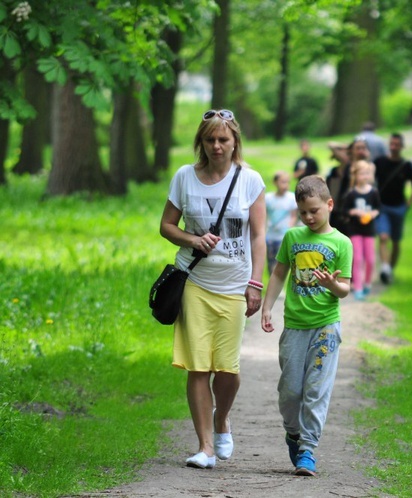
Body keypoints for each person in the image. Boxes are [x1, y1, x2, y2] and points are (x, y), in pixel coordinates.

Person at [159, 109, 266, 469]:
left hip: (235, 285)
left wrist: (255, 284)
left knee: (228, 370)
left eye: (223, 139)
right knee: (198, 367)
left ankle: (222, 419)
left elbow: (259, 236)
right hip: (196, 282)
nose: (217, 146)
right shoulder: (184, 177)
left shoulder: (250, 180)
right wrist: (193, 238)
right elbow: (166, 226)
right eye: (210, 139)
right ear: (201, 143)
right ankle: (205, 446)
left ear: (235, 141)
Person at [260, 175, 353, 477]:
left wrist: (332, 284)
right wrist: (267, 306)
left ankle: (308, 449)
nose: (309, 217)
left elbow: (345, 290)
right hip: (296, 326)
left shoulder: (341, 243)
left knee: (316, 389)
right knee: (290, 391)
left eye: (314, 210)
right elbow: (278, 274)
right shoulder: (292, 238)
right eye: (303, 212)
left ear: (329, 204)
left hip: (326, 326)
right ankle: (293, 432)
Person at [373, 133, 412, 284]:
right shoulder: (379, 162)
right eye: (391, 144)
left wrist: (408, 204)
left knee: (396, 241)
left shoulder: (406, 166)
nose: (393, 147)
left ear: (402, 146)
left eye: (396, 144)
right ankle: (385, 267)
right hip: (383, 207)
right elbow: (370, 180)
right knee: (384, 237)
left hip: (399, 207)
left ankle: (390, 269)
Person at [343, 160, 381, 300]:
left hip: (369, 230)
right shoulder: (351, 194)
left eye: (366, 173)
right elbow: (345, 210)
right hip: (355, 230)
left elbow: (378, 209)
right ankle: (357, 287)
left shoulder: (374, 192)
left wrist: (373, 214)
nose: (364, 176)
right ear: (355, 175)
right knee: (357, 259)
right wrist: (355, 212)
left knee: (370, 259)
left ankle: (367, 283)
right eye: (361, 174)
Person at [327, 137, 371, 235]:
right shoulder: (348, 164)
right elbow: (330, 144)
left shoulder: (369, 166)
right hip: (343, 210)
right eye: (358, 148)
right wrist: (348, 147)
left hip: (361, 209)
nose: (360, 151)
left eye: (363, 148)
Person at [265, 171, 298, 274]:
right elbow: (264, 215)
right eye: (283, 182)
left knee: (281, 263)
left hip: (283, 236)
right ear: (275, 182)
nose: (286, 185)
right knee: (271, 261)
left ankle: (280, 287)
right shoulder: (268, 198)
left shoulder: (291, 198)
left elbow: (294, 215)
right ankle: (272, 281)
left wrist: (289, 228)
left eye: (287, 182)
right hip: (270, 235)